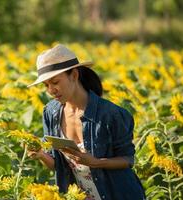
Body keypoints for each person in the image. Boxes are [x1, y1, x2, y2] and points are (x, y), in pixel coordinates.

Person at [27, 44, 145, 200]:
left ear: (74, 75)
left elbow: (128, 159)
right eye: (46, 85)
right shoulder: (50, 113)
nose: (51, 90)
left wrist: (96, 163)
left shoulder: (111, 114)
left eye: (55, 82)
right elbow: (60, 167)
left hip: (118, 194)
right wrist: (40, 154)